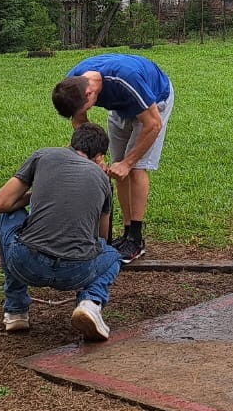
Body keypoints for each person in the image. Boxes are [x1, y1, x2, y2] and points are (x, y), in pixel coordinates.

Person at [0, 122, 122, 342]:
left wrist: (39, 193)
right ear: (100, 157)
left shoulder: (44, 156)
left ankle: (16, 310)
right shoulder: (103, 180)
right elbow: (102, 237)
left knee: (6, 218)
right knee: (112, 255)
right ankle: (91, 303)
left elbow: (0, 204)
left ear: (70, 143)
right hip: (76, 271)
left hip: (26, 262)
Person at [51, 52, 174, 261]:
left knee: (134, 168)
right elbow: (80, 122)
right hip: (120, 106)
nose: (85, 111)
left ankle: (136, 239)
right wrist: (95, 156)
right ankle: (126, 232)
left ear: (90, 94)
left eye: (86, 107)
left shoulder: (126, 78)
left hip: (154, 103)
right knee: (118, 170)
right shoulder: (73, 85)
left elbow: (153, 124)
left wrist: (128, 162)